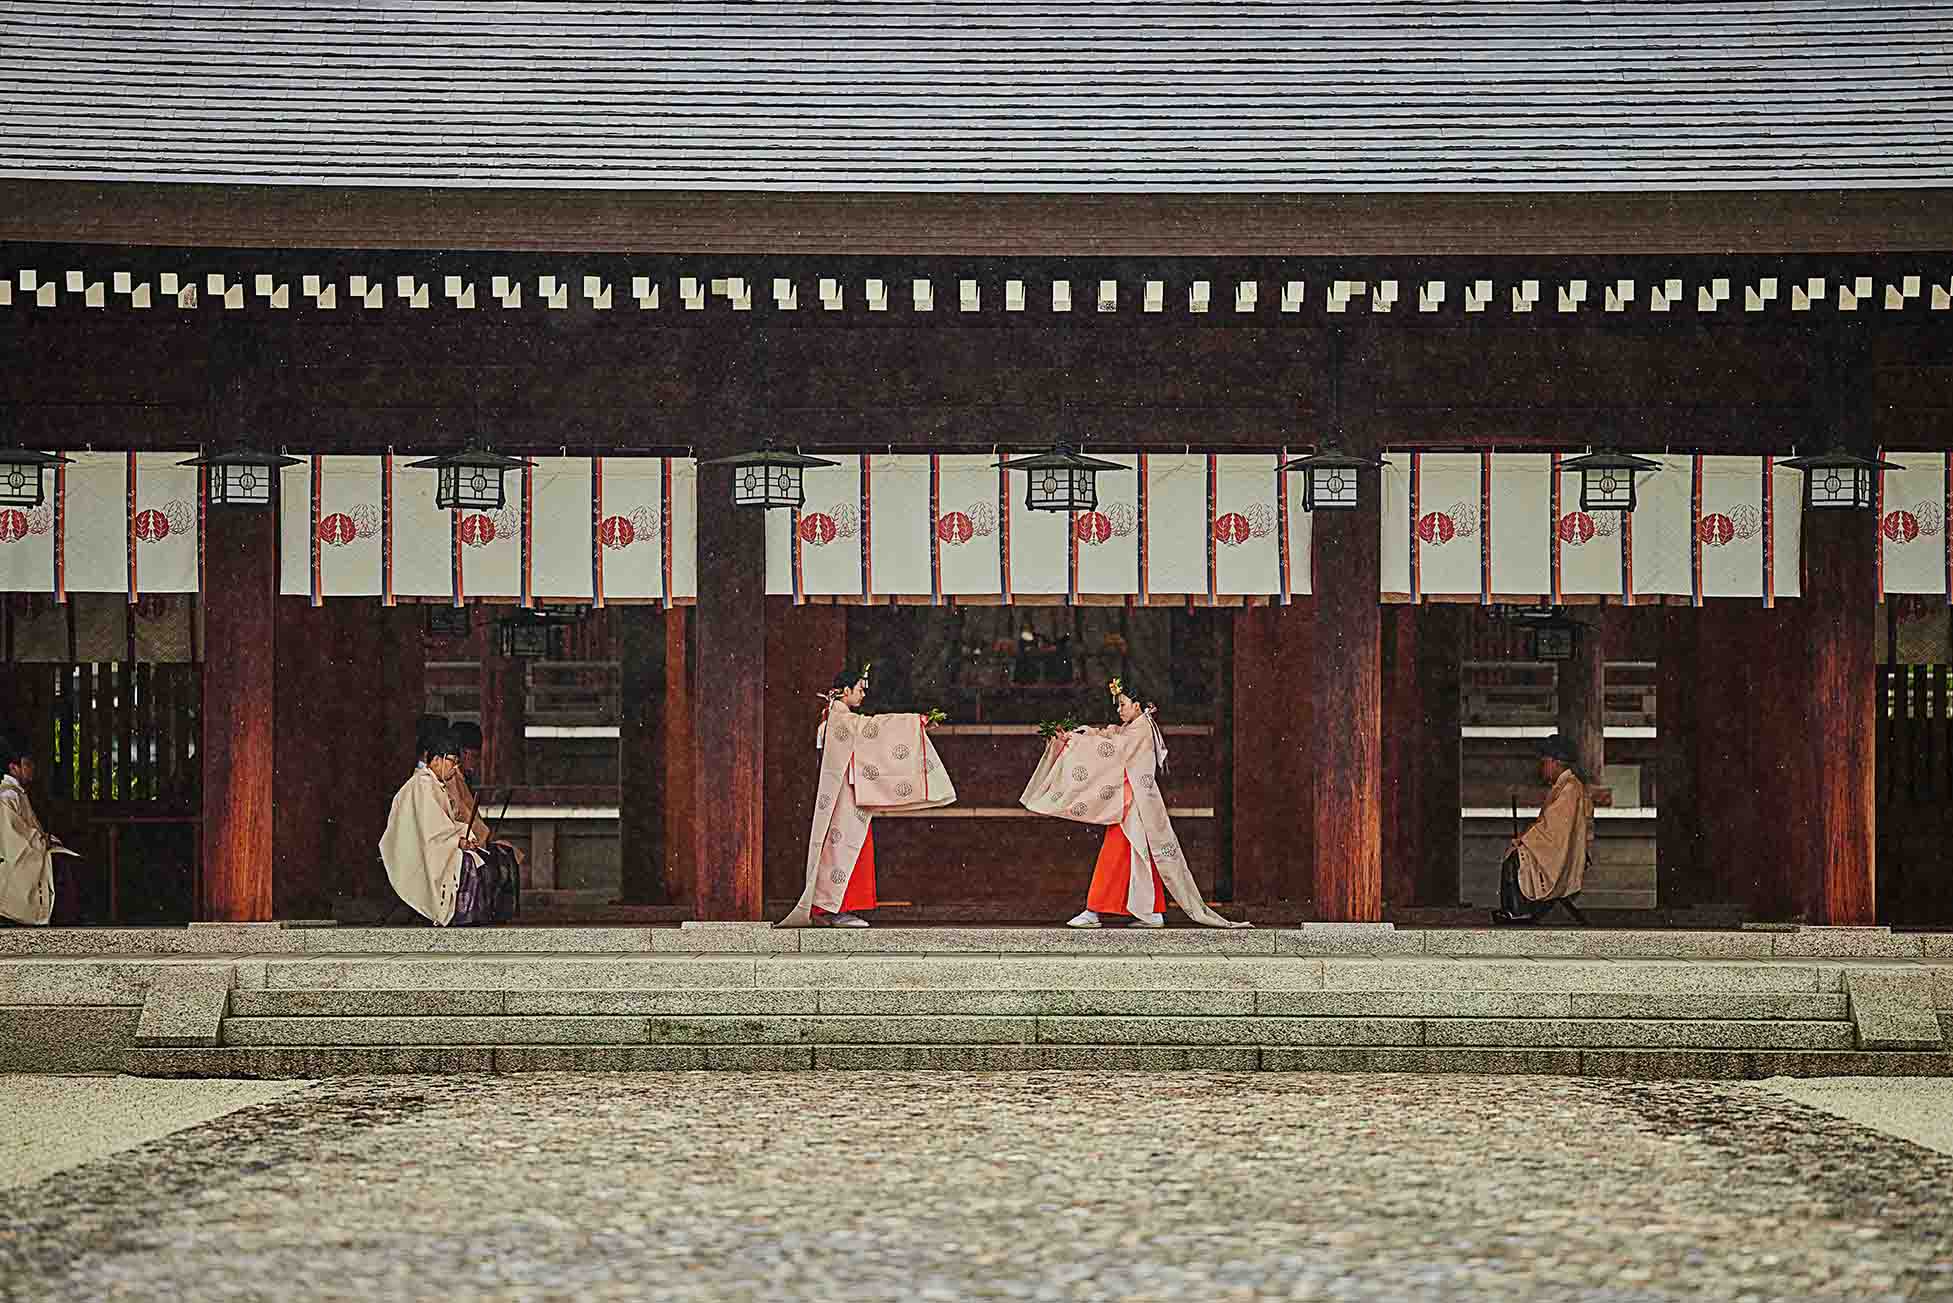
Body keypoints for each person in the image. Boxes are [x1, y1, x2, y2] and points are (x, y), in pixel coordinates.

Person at [1021, 679, 1250, 930]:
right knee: (1136, 857)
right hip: (1133, 803)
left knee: (1120, 855)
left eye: (1123, 704)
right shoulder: (1135, 727)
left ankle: (1095, 910)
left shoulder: (1140, 729)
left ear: (1138, 706)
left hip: (1135, 804)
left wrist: (1076, 743)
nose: (1119, 710)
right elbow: (1110, 735)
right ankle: (1148, 912)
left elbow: (1111, 748)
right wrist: (1077, 735)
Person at [776, 663, 957, 928]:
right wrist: (915, 722)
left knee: (841, 849)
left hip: (844, 796)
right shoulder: (840, 720)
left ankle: (827, 908)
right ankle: (834, 909)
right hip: (842, 799)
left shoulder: (837, 719)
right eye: (860, 689)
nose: (863, 695)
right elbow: (874, 729)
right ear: (845, 690)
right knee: (842, 849)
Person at [379, 716, 515, 927]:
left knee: (477, 858)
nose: (454, 769)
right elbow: (433, 831)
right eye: (452, 762)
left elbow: (444, 825)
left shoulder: (435, 784)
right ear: (436, 760)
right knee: (468, 863)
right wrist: (459, 841)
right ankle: (460, 916)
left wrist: (464, 837)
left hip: (436, 846)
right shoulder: (422, 786)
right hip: (416, 851)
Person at [1492, 735, 1595, 925]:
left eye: (1545, 762)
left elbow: (1554, 827)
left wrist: (1524, 839)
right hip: (1558, 850)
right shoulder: (1565, 786)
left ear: (1555, 762)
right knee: (1515, 856)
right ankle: (1515, 910)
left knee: (1514, 859)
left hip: (1562, 854)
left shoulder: (1570, 788)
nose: (1542, 767)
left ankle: (1517, 911)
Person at [1, 732, 78, 926]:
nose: (31, 769)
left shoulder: (18, 793)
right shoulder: (7, 796)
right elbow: (13, 838)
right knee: (60, 865)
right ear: (13, 767)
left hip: (32, 848)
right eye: (27, 764)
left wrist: (45, 839)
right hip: (13, 860)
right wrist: (42, 841)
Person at [446, 720, 525, 904]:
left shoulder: (459, 777)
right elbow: (462, 815)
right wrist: (485, 838)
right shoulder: (451, 778)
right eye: (473, 757)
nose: (474, 764)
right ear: (463, 753)